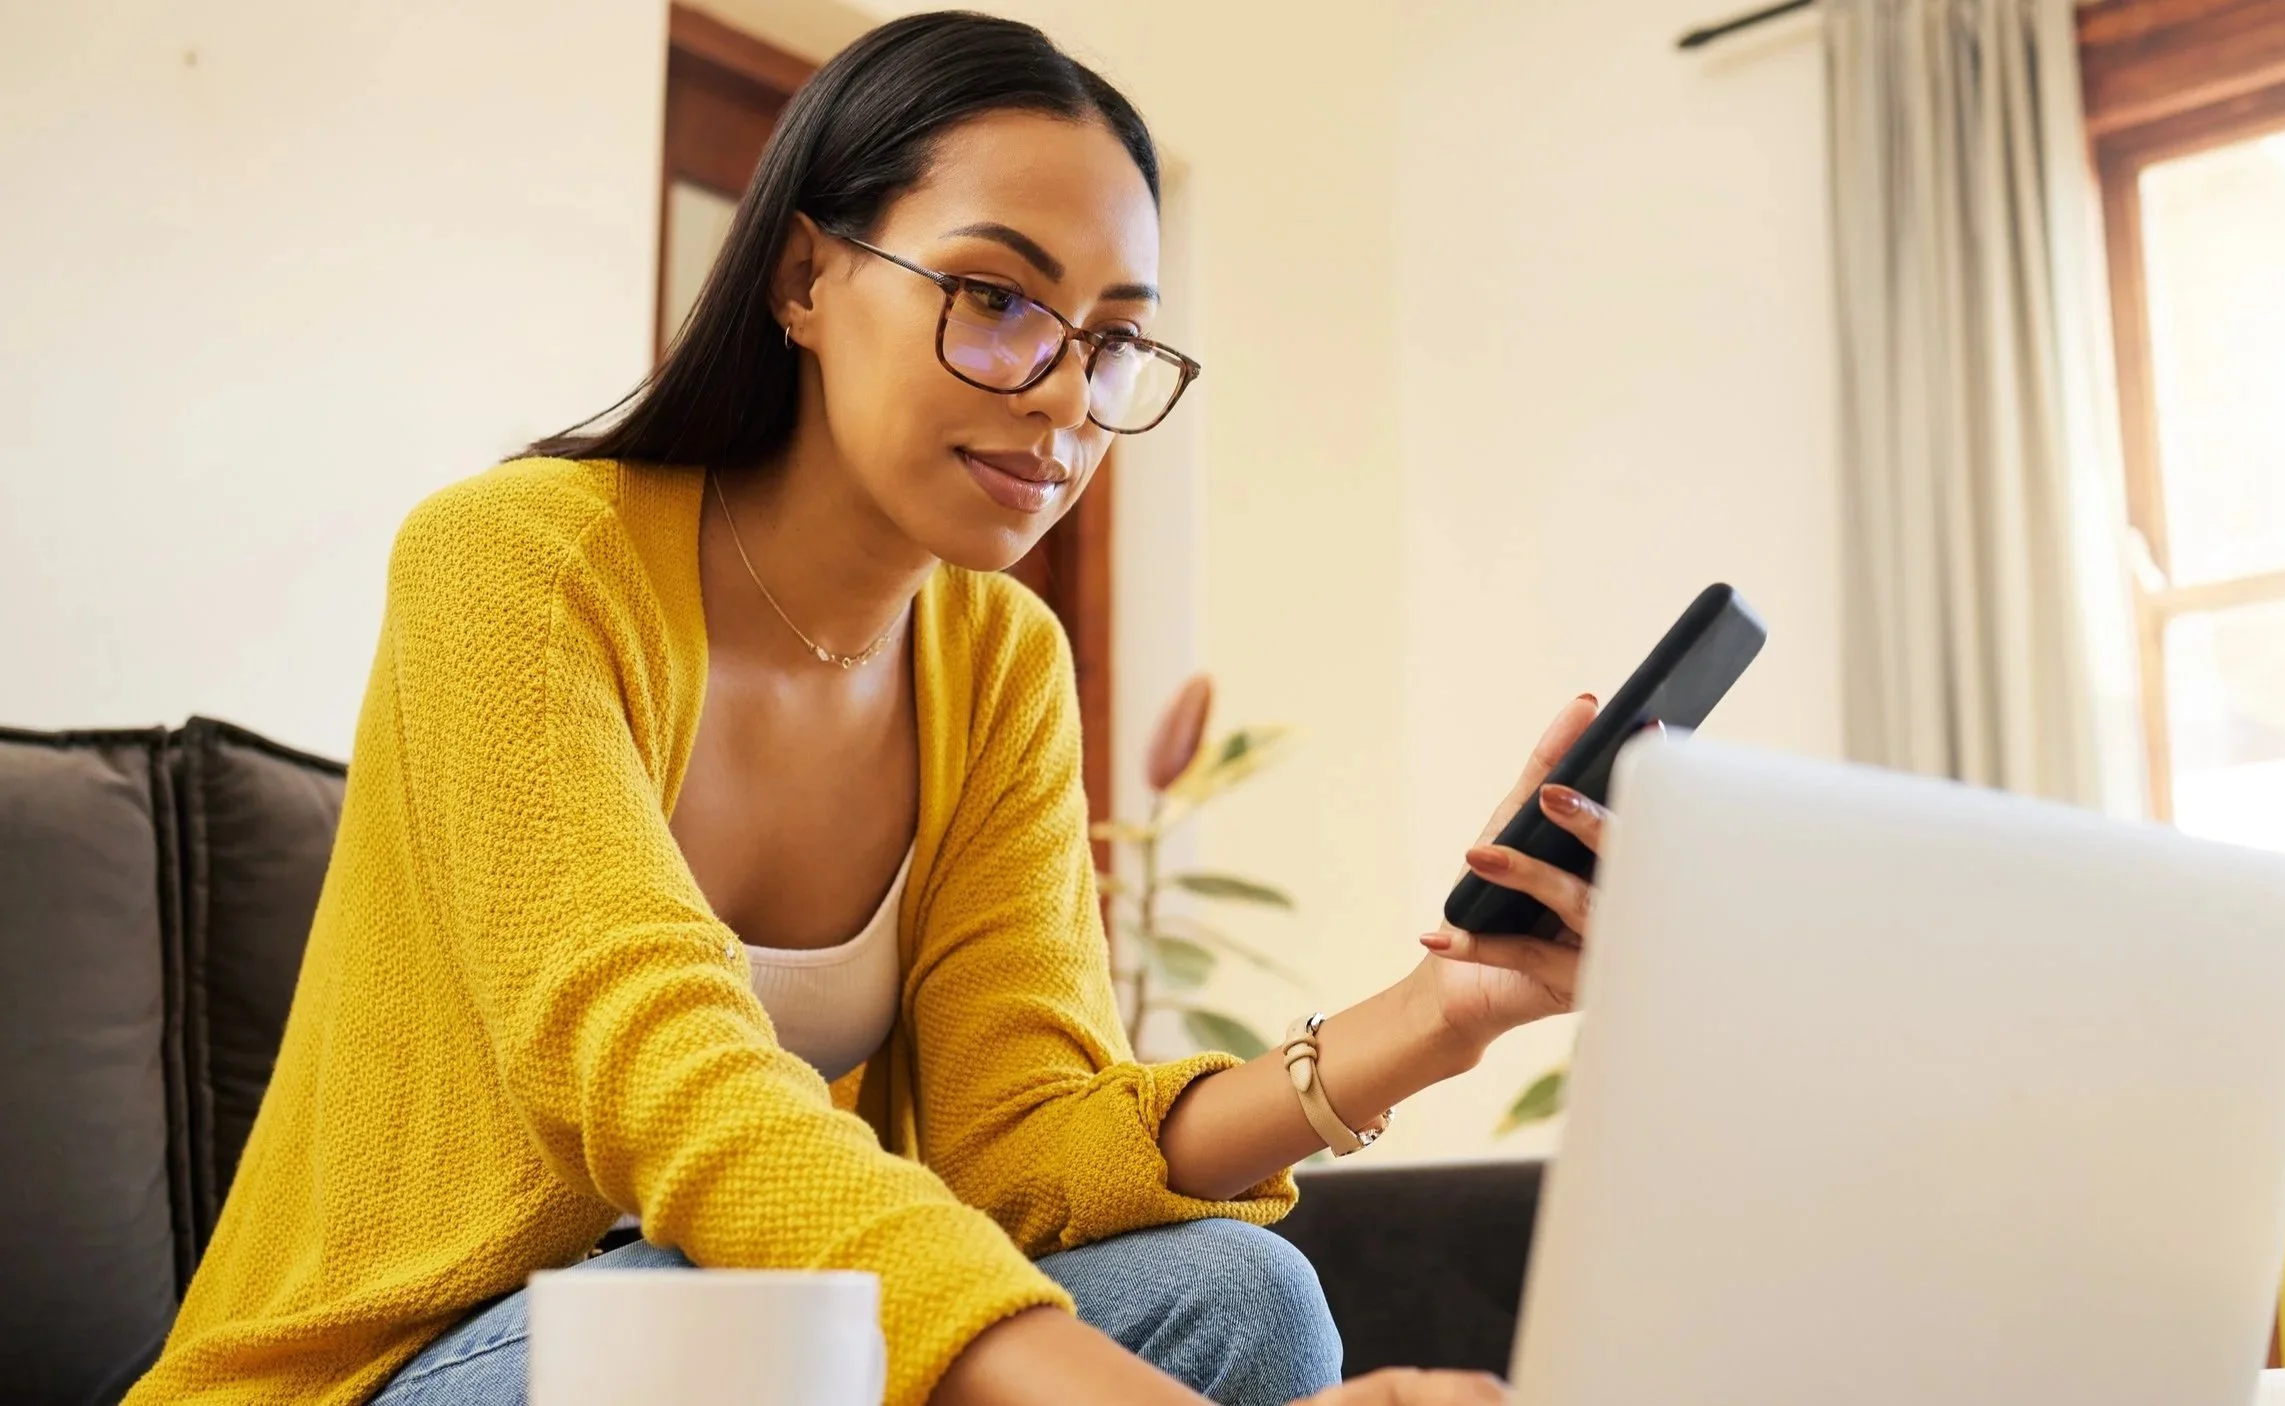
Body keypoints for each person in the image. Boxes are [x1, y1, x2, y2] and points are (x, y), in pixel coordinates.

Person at [123, 13, 1606, 1406]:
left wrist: (1441, 1014)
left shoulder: (1001, 661)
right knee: (741, 1329)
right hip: (407, 1363)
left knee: (1242, 1291)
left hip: (747, 1327)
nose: (1064, 397)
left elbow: (1019, 1141)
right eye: (996, 298)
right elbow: (673, 1080)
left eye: (1108, 339)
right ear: (804, 280)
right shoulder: (515, 562)